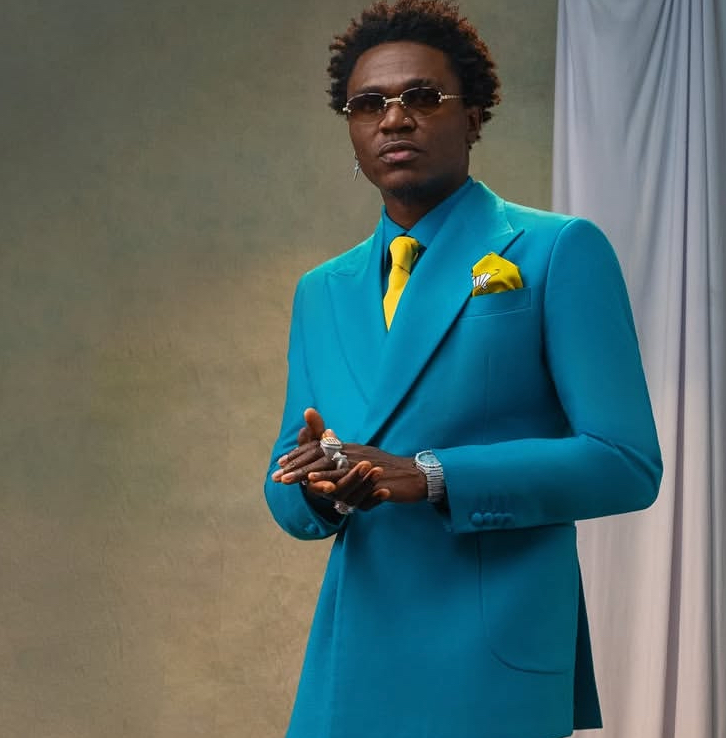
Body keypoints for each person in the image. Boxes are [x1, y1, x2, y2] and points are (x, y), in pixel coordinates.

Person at [263, 2, 662, 736]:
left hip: (490, 663)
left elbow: (625, 463)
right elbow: (285, 483)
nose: (394, 119)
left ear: (473, 114)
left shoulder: (556, 250)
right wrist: (320, 489)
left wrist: (433, 474)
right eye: (368, 104)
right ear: (351, 128)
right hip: (353, 663)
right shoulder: (322, 291)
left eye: (422, 96)